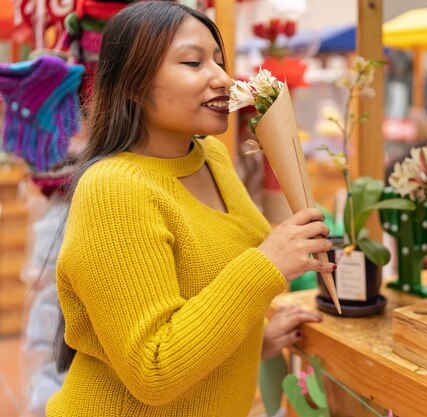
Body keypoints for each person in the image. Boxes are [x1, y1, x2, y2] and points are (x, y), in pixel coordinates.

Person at [46, 2, 335, 416]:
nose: (222, 77)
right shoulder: (113, 189)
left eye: (219, 61)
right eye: (193, 62)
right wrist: (267, 264)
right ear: (132, 84)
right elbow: (154, 367)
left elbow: (202, 308)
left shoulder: (211, 155)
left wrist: (257, 339)